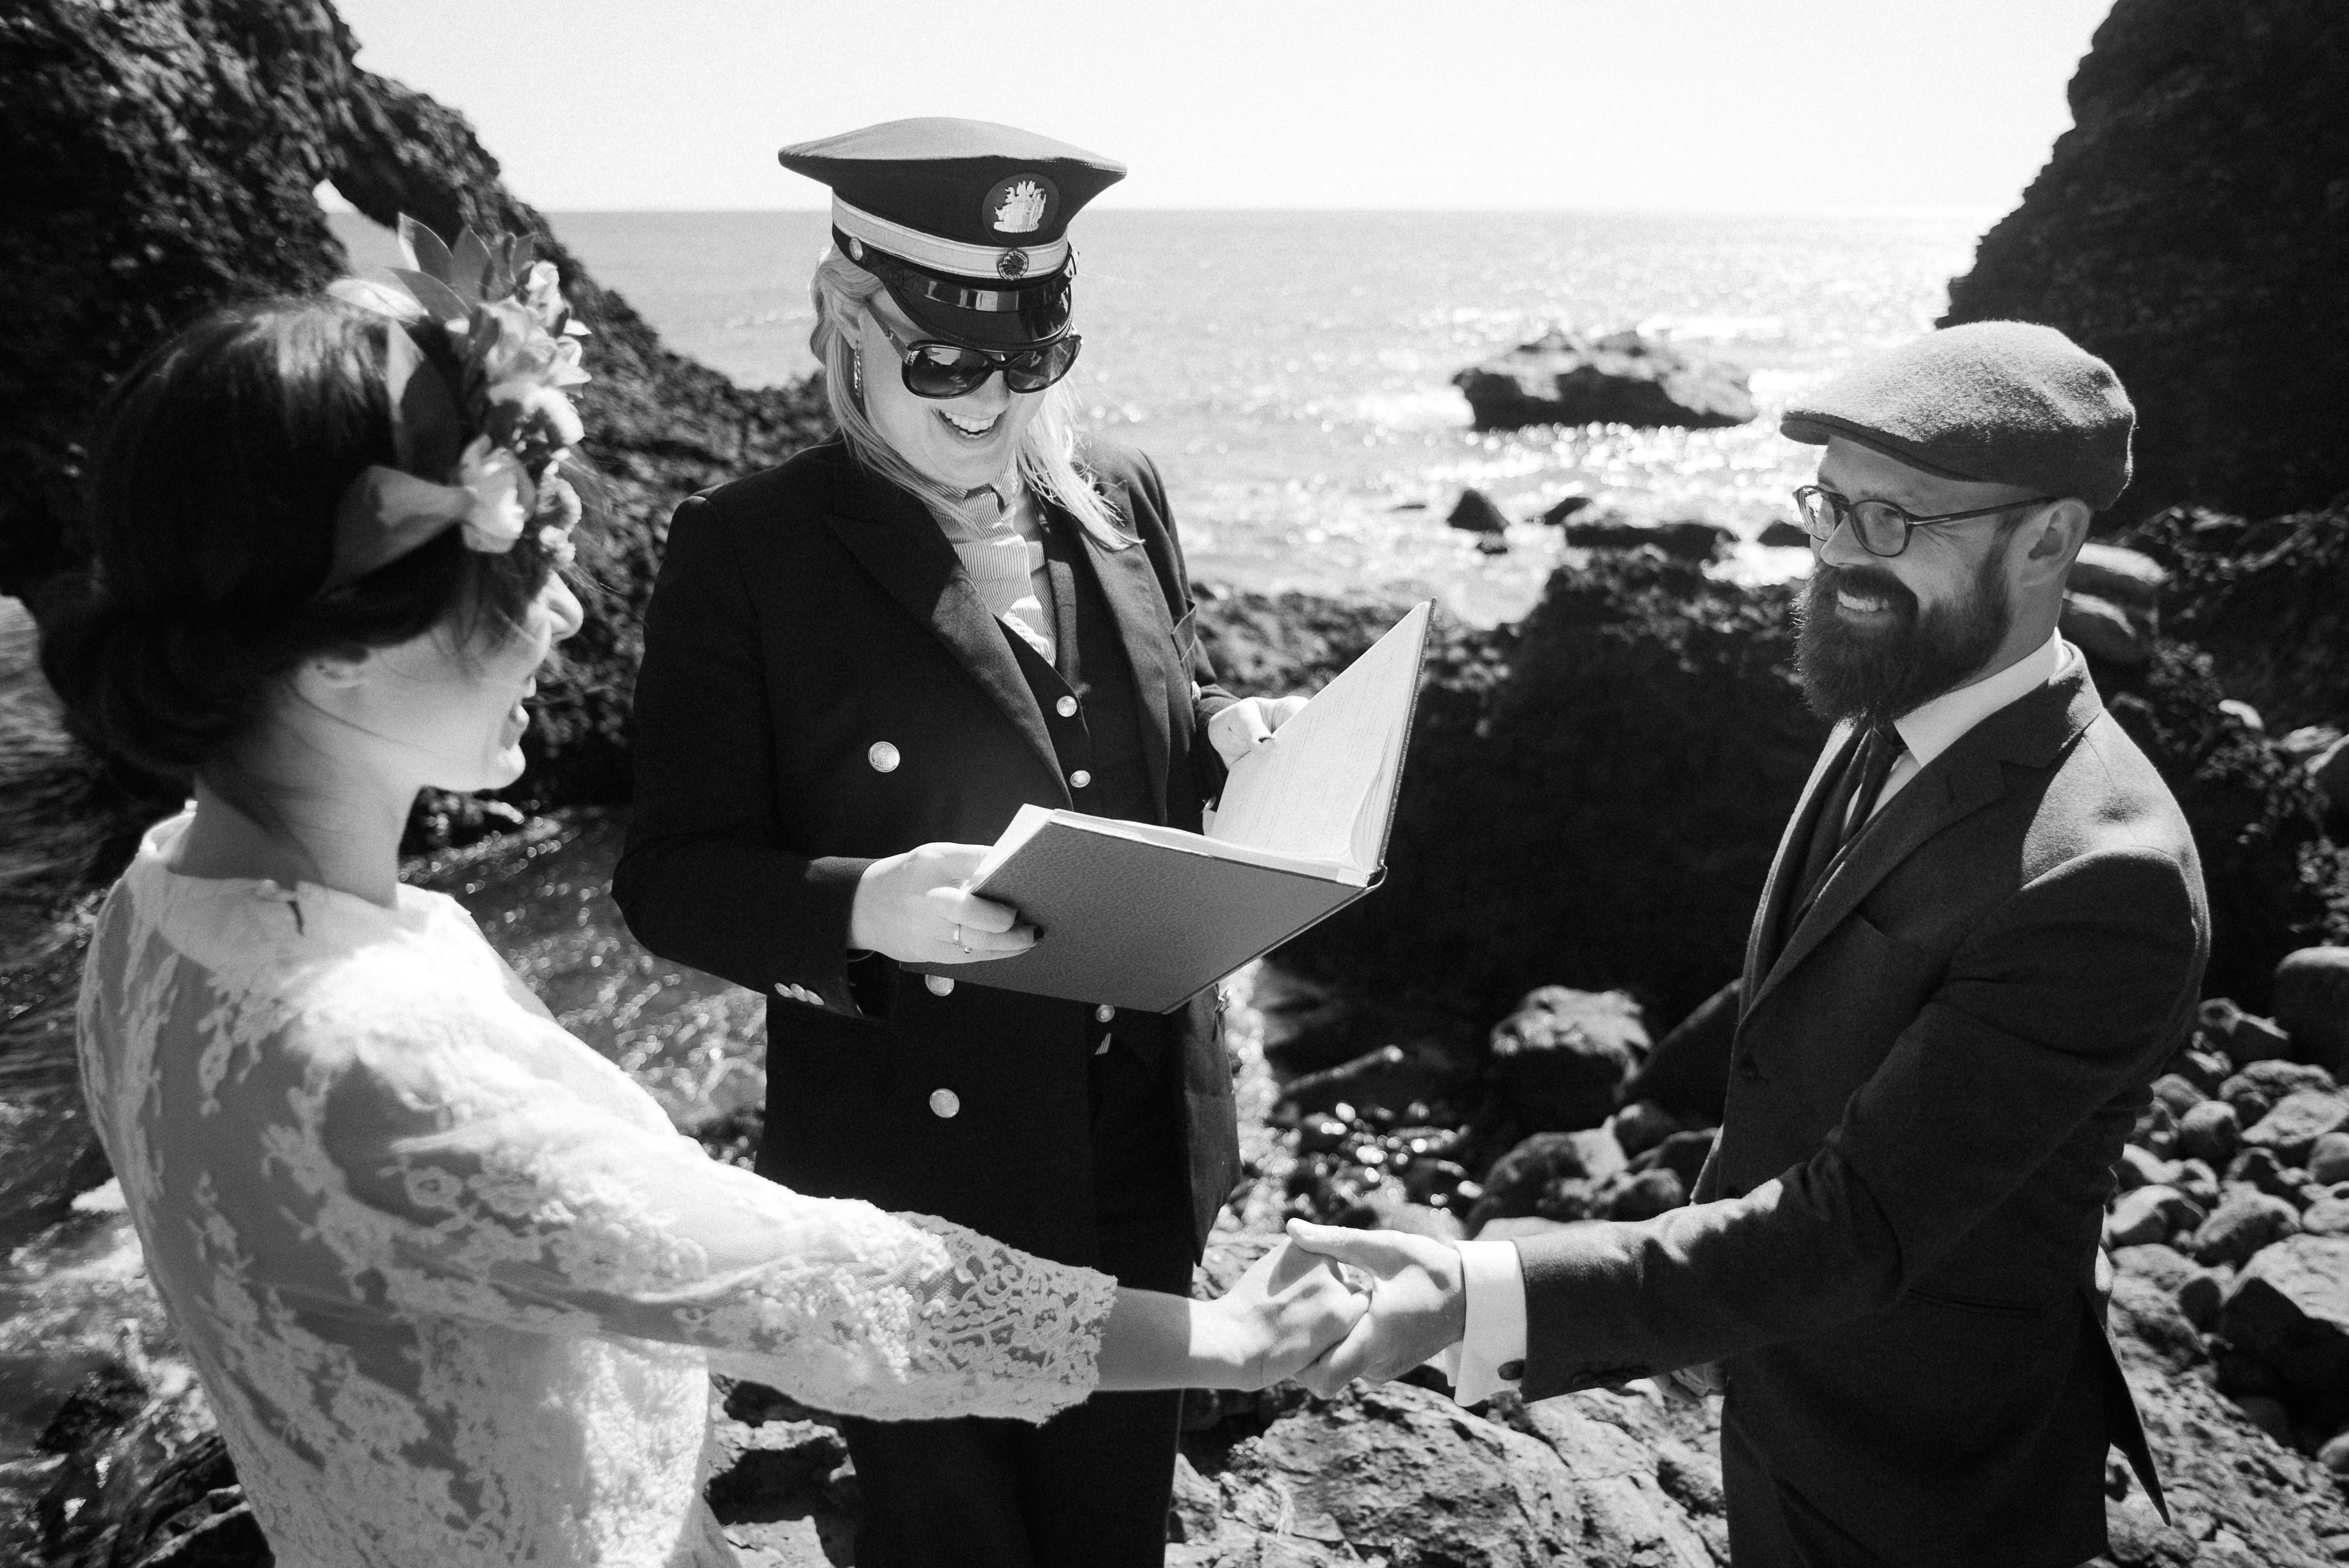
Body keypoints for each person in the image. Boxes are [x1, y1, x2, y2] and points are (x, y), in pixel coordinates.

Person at [40, 224, 1361, 1568]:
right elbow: (844, 1302)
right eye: (516, 569)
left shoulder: (159, 910)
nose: (563, 618)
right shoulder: (373, 1059)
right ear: (334, 655)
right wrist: (1235, 1336)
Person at [1289, 321, 2211, 1568]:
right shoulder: (1888, 701)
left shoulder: (2104, 875)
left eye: (1896, 519)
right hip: (1780, 1407)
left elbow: (1852, 1227)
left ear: (2048, 539)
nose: (1841, 555)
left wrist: (1478, 1293)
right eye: (1830, 506)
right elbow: (1790, 1051)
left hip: (1928, 1484)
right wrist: (1698, 1319)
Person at [610, 120, 1307, 1568]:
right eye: (945, 359)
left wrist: (1232, 733)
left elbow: (1147, 703)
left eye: (1032, 354)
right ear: (848, 323)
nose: (994, 397)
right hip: (916, 1182)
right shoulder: (748, 550)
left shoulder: (1120, 490)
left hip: (1137, 1138)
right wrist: (865, 906)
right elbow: (669, 876)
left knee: (1113, 1535)